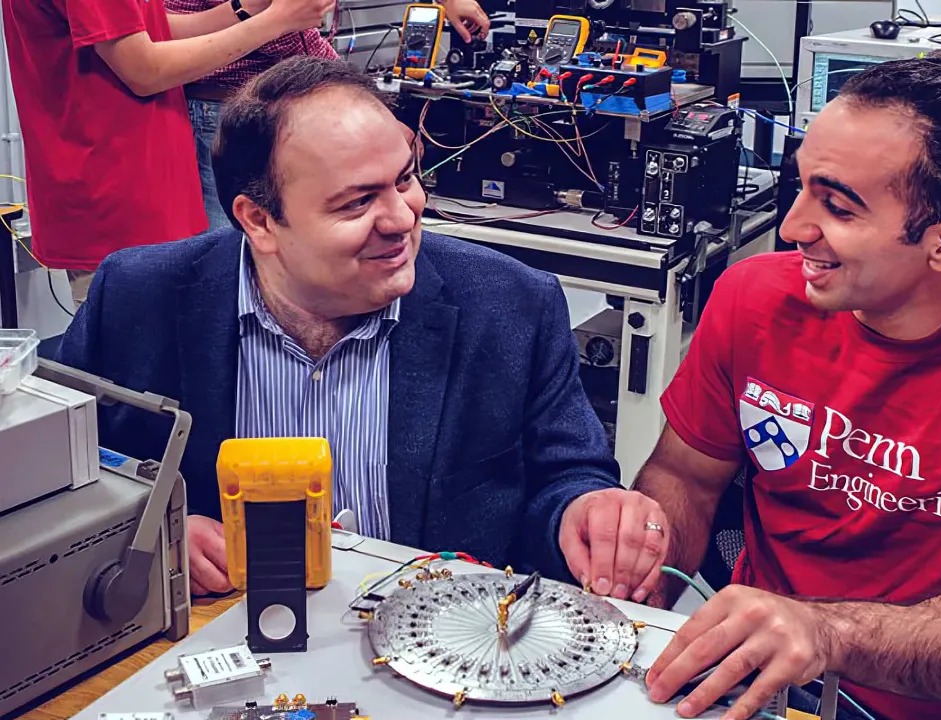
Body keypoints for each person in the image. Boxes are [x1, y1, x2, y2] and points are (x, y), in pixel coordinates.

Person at [55, 57, 667, 600]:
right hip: (221, 633)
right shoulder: (139, 296)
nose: (403, 218)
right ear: (259, 221)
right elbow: (67, 468)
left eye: (405, 178)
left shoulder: (512, 306)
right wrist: (148, 521)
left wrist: (583, 513)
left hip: (436, 648)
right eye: (357, 202)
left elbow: (566, 478)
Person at [629, 49, 941, 720]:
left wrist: (826, 635)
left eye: (838, 207)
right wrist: (638, 569)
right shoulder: (754, 298)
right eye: (801, 184)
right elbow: (685, 477)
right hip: (752, 691)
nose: (792, 228)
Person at [3, 0, 333, 306]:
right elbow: (144, 71)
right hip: (116, 194)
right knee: (143, 341)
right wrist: (278, 21)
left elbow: (149, 31)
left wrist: (247, 8)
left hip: (135, 183)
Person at [163, 0, 491, 231]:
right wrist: (367, 108)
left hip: (243, 106)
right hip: (235, 110)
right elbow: (288, 35)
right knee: (243, 248)